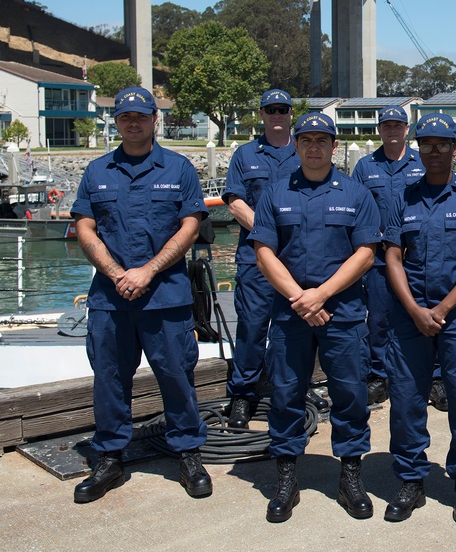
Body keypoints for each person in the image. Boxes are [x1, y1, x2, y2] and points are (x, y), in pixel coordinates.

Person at [71, 86, 212, 503]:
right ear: (116, 122)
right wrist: (117, 274)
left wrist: (148, 270)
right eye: (125, 117)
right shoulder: (97, 171)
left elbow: (190, 226)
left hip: (166, 296)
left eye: (141, 115)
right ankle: (110, 458)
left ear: (155, 119)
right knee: (110, 380)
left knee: (176, 377)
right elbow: (84, 227)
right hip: (110, 298)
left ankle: (187, 451)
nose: (133, 122)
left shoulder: (180, 168)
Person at [248, 112, 381, 523]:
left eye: (322, 140)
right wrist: (299, 298)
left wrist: (320, 294)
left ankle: (350, 477)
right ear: (296, 144)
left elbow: (365, 254)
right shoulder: (274, 193)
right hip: (290, 314)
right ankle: (287, 480)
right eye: (306, 140)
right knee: (286, 394)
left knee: (350, 394)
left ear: (334, 146)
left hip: (341, 312)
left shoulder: (356, 193)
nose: (313, 147)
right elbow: (264, 252)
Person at [381, 112, 456, 523]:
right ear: (417, 147)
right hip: (410, 313)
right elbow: (392, 256)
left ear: (454, 147)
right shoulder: (402, 198)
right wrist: (414, 308)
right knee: (407, 400)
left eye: (442, 144)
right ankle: (412, 479)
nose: (433, 151)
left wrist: (444, 309)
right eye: (426, 144)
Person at [222, 89, 301, 428]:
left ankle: (298, 389)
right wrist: (269, 233)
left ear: (291, 113)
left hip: (299, 259)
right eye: (271, 109)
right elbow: (235, 202)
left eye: (282, 109)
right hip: (255, 257)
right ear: (261, 114)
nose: (277, 115)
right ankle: (243, 394)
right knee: (253, 327)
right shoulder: (245, 155)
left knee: (296, 329)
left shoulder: (305, 150)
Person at [353, 105, 425, 405]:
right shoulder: (365, 166)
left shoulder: (422, 163)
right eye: (387, 126)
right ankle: (379, 375)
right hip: (379, 259)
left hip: (416, 258)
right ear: (379, 130)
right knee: (379, 319)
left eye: (398, 125)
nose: (393, 130)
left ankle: (428, 375)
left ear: (407, 129)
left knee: (419, 315)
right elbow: (355, 210)